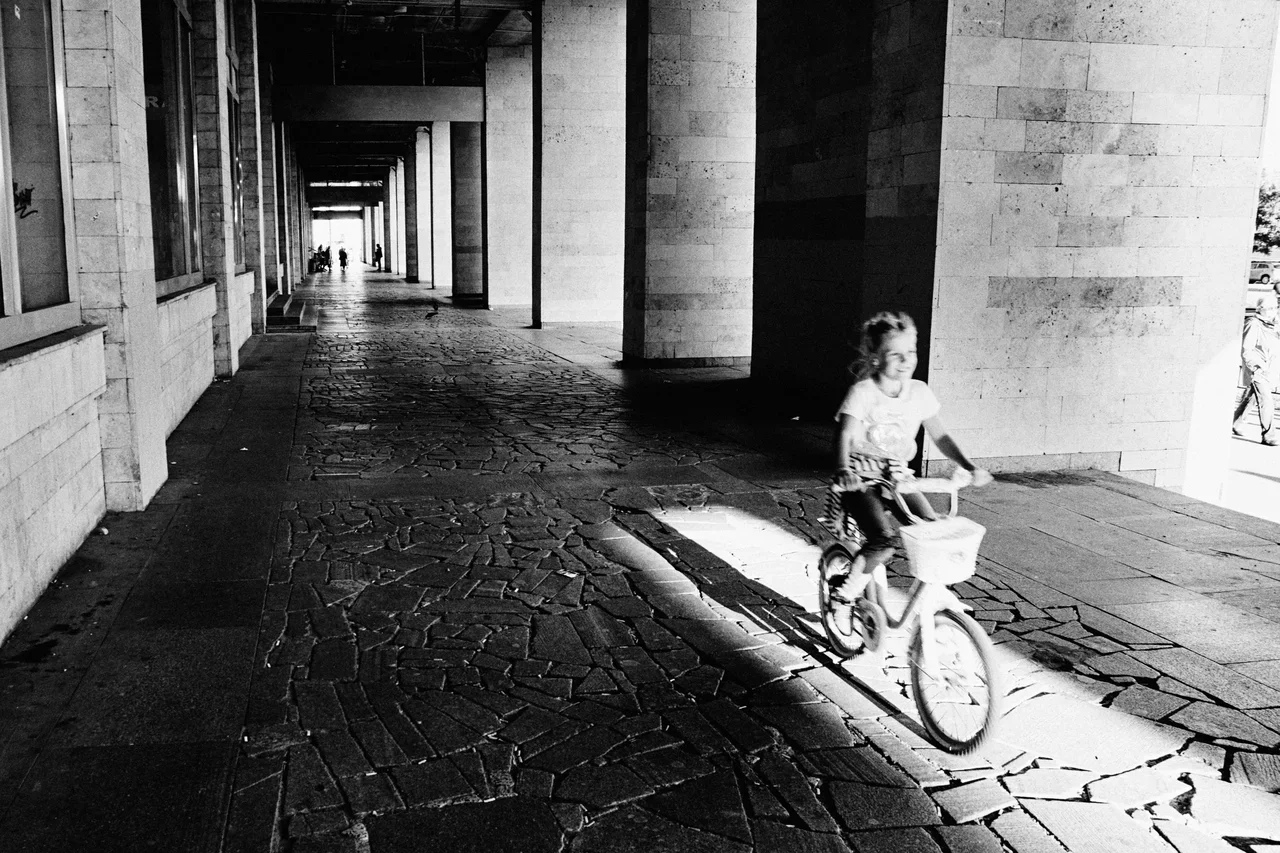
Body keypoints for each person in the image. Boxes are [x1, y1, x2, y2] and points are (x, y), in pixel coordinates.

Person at [829, 311, 992, 610]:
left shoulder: (919, 392)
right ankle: (845, 593)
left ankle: (936, 593)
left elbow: (941, 436)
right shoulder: (863, 393)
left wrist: (969, 466)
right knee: (883, 541)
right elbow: (844, 433)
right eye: (895, 354)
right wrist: (843, 469)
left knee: (932, 531)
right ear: (876, 358)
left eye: (911, 352)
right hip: (862, 479)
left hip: (898, 478)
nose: (906, 360)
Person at [1233, 293, 1280, 445]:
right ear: (1260, 309)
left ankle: (1236, 422)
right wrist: (1257, 367)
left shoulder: (1272, 325)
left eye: (1275, 308)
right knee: (1266, 400)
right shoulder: (1253, 324)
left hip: (1269, 370)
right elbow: (1246, 349)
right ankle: (1269, 435)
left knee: (1252, 398)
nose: (1273, 311)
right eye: (1269, 308)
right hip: (1258, 371)